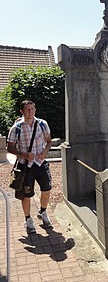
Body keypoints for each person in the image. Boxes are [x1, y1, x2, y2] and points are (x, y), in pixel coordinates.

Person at [7, 100, 52, 234]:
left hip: (40, 163)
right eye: (27, 109)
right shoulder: (17, 127)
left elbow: (49, 141)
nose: (30, 112)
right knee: (26, 195)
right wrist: (23, 154)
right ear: (22, 111)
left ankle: (43, 211)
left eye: (32, 109)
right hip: (25, 166)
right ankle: (28, 220)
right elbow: (9, 147)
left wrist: (45, 152)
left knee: (47, 189)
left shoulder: (42, 124)